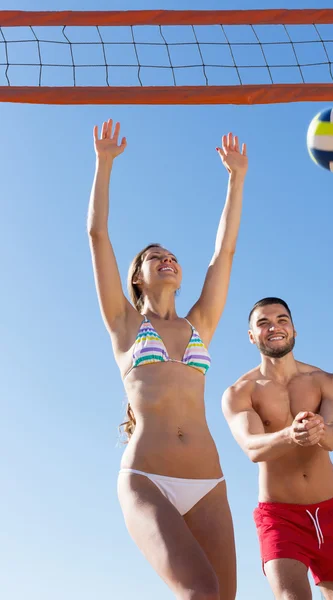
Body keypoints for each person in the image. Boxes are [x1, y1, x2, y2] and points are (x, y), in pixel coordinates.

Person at [87, 119, 248, 600]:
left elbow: (224, 253)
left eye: (173, 256)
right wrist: (104, 164)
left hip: (208, 478)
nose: (168, 259)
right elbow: (97, 235)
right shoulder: (124, 324)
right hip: (147, 478)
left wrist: (236, 178)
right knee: (199, 591)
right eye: (155, 256)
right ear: (137, 277)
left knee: (223, 596)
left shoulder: (199, 324)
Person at [222, 297, 333, 600]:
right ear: (251, 336)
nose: (274, 327)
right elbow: (252, 448)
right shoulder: (240, 392)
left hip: (332, 514)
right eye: (263, 323)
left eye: (281, 319)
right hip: (280, 518)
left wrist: (319, 430)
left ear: (294, 330)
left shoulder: (326, 381)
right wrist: (290, 435)